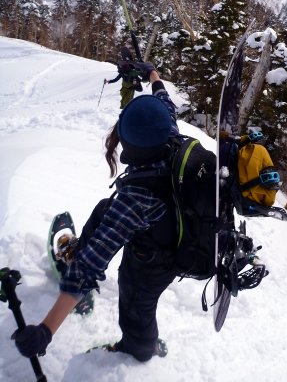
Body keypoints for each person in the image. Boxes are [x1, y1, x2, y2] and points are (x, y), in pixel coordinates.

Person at [12, 63, 182, 362]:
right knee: (106, 209)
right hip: (165, 224)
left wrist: (45, 330)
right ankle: (77, 251)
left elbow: (88, 270)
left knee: (135, 303)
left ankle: (141, 348)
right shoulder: (169, 135)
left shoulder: (136, 199)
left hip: (156, 259)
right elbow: (164, 98)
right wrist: (152, 73)